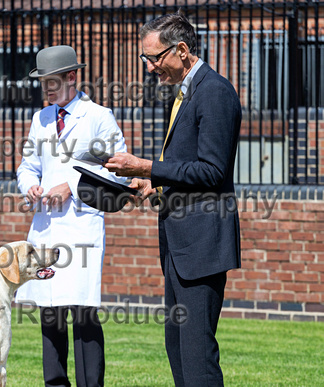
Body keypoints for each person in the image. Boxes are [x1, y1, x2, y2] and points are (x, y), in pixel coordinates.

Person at [104, 13, 241, 386]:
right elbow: (186, 166)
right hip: (180, 246)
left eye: (155, 58)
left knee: (197, 357)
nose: (150, 68)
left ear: (182, 50)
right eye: (145, 59)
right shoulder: (186, 92)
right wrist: (155, 185)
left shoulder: (213, 92)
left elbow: (212, 171)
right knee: (178, 349)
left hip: (201, 246)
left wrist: (148, 167)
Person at [15, 45, 127, 387]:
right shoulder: (41, 118)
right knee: (50, 313)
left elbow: (118, 172)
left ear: (72, 77)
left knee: (83, 313)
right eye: (43, 82)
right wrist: (30, 185)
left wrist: (73, 186)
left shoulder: (98, 116)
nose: (47, 88)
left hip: (81, 226)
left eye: (52, 81)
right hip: (46, 227)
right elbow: (27, 166)